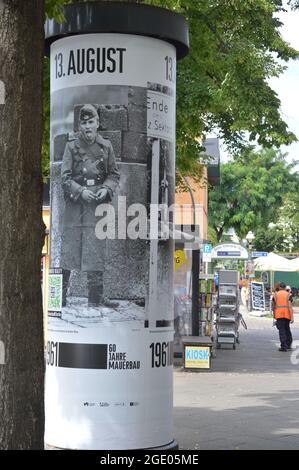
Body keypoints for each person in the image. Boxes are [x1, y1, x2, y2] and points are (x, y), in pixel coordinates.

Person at [61, 104, 120, 308]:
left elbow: (113, 174)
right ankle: (60, 295)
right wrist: (79, 191)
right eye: (84, 123)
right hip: (76, 205)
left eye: (91, 122)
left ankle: (96, 297)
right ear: (80, 126)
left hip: (97, 203)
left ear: (97, 123)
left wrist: (106, 188)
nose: (87, 127)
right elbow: (65, 178)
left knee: (96, 248)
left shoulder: (106, 147)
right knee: (70, 246)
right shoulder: (71, 146)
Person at [273, 282, 294, 351]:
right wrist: (292, 317)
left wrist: (274, 316)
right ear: (285, 288)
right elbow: (290, 307)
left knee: (281, 330)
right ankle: (288, 345)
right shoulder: (288, 295)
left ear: (279, 287)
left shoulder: (275, 295)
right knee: (287, 329)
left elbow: (273, 306)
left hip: (279, 314)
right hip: (287, 314)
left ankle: (284, 346)